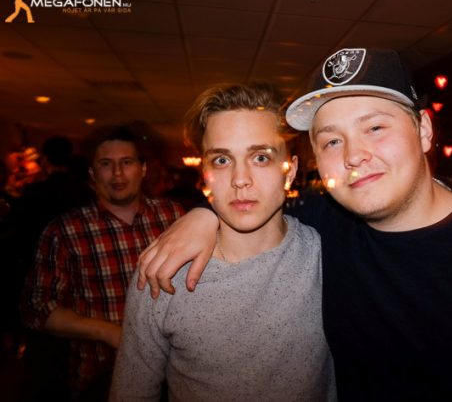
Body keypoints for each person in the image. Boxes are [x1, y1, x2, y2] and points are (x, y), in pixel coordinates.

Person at [137, 48, 452, 400]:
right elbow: (254, 205)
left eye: (375, 127)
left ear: (423, 130)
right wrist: (202, 215)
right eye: (332, 140)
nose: (354, 156)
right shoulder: (324, 228)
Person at [109, 84, 334, 401]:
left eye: (260, 157)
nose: (240, 180)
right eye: (222, 160)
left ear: (290, 171)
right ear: (204, 173)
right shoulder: (165, 270)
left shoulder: (328, 256)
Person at [21, 125, 183, 401]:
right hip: (100, 376)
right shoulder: (65, 231)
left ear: (143, 169)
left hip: (173, 373)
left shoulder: (173, 218)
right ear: (92, 173)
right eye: (106, 164)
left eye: (127, 162)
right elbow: (37, 309)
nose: (117, 173)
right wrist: (109, 333)